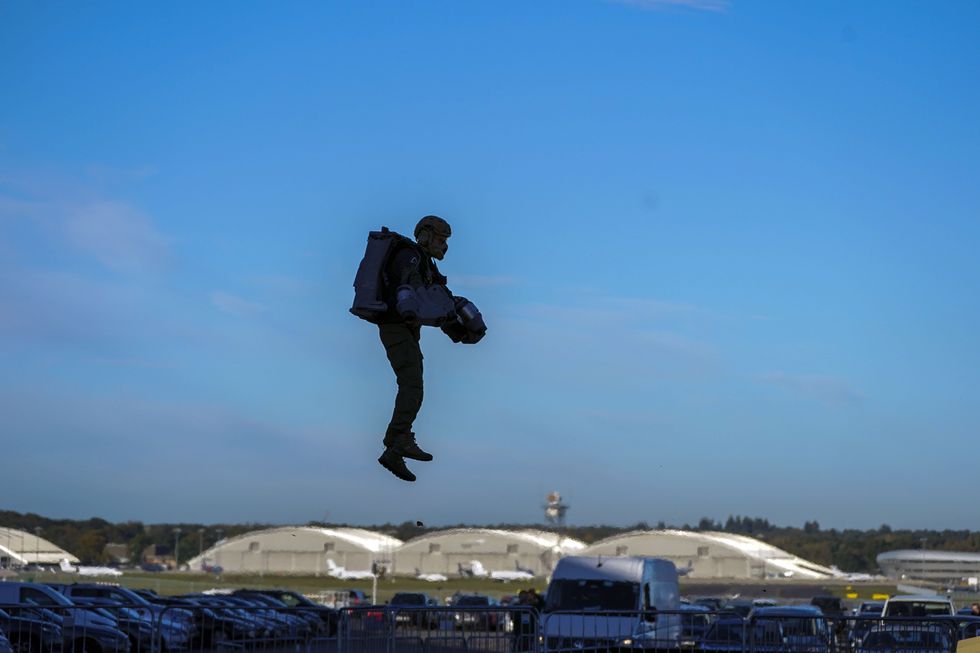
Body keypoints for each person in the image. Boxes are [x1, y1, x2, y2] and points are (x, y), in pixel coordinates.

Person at [375, 215, 484, 481]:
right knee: (412, 383)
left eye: (446, 241)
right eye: (440, 239)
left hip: (406, 327)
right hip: (396, 325)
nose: (444, 246)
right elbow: (405, 287)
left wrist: (459, 331)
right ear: (425, 235)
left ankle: (395, 449)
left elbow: (438, 301)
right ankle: (397, 440)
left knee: (414, 383)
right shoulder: (409, 256)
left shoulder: (427, 265)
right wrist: (408, 308)